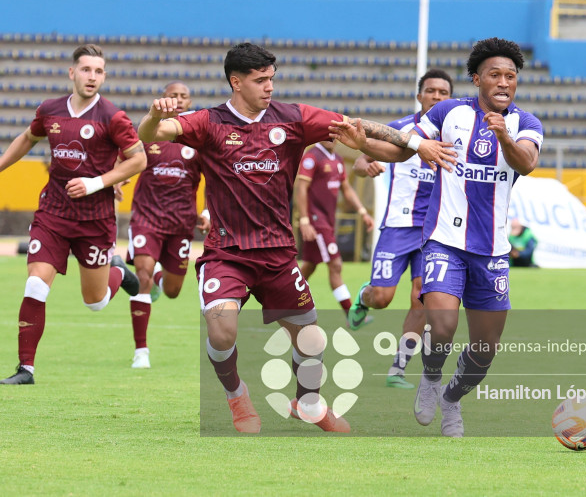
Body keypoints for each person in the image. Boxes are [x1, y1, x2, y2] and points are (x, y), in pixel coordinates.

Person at [137, 43, 454, 434]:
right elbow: (152, 132)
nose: (269, 87)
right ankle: (237, 396)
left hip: (277, 255)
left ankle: (308, 404)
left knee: (312, 341)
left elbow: (367, 129)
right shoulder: (208, 122)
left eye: (272, 78)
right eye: (260, 80)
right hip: (226, 253)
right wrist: (154, 115)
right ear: (236, 82)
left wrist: (413, 144)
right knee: (222, 331)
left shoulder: (293, 118)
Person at [330, 37, 542, 437]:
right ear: (477, 78)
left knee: (484, 352)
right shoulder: (448, 112)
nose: (503, 82)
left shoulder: (525, 123)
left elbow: (527, 163)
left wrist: (505, 138)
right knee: (441, 326)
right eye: (494, 75)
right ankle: (429, 379)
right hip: (444, 240)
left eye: (510, 76)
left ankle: (452, 399)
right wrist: (365, 146)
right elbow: (403, 149)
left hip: (493, 251)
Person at [0, 44, 147, 385]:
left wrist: (97, 183)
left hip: (95, 219)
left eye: (98, 71)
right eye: (86, 70)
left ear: (104, 76)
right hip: (53, 212)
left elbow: (138, 160)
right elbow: (27, 138)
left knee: (94, 302)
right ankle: (26, 369)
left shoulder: (113, 117)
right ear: (72, 73)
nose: (91, 76)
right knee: (36, 283)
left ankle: (117, 273)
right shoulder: (50, 110)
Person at [349, 68, 454, 388]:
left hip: (432, 232)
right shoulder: (399, 129)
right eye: (431, 91)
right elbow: (357, 160)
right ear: (419, 95)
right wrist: (366, 165)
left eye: (443, 93)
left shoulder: (454, 135)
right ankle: (363, 298)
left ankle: (398, 367)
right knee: (383, 297)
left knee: (421, 299)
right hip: (397, 226)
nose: (436, 96)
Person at [123, 81, 209, 369]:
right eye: (173, 95)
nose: (179, 100)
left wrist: (207, 211)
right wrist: (116, 180)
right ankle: (141, 351)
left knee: (172, 291)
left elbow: (213, 180)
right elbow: (124, 159)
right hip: (146, 218)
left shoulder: (196, 140)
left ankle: (160, 276)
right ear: (164, 99)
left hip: (181, 223)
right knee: (142, 276)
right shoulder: (149, 133)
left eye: (184, 96)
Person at [295, 139, 374, 323]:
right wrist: (305, 220)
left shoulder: (337, 159)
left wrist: (363, 212)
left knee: (308, 266)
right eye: (326, 134)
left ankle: (280, 302)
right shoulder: (312, 157)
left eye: (334, 135)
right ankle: (352, 315)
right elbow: (301, 188)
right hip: (316, 222)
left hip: (328, 222)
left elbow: (346, 190)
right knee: (335, 265)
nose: (330, 138)